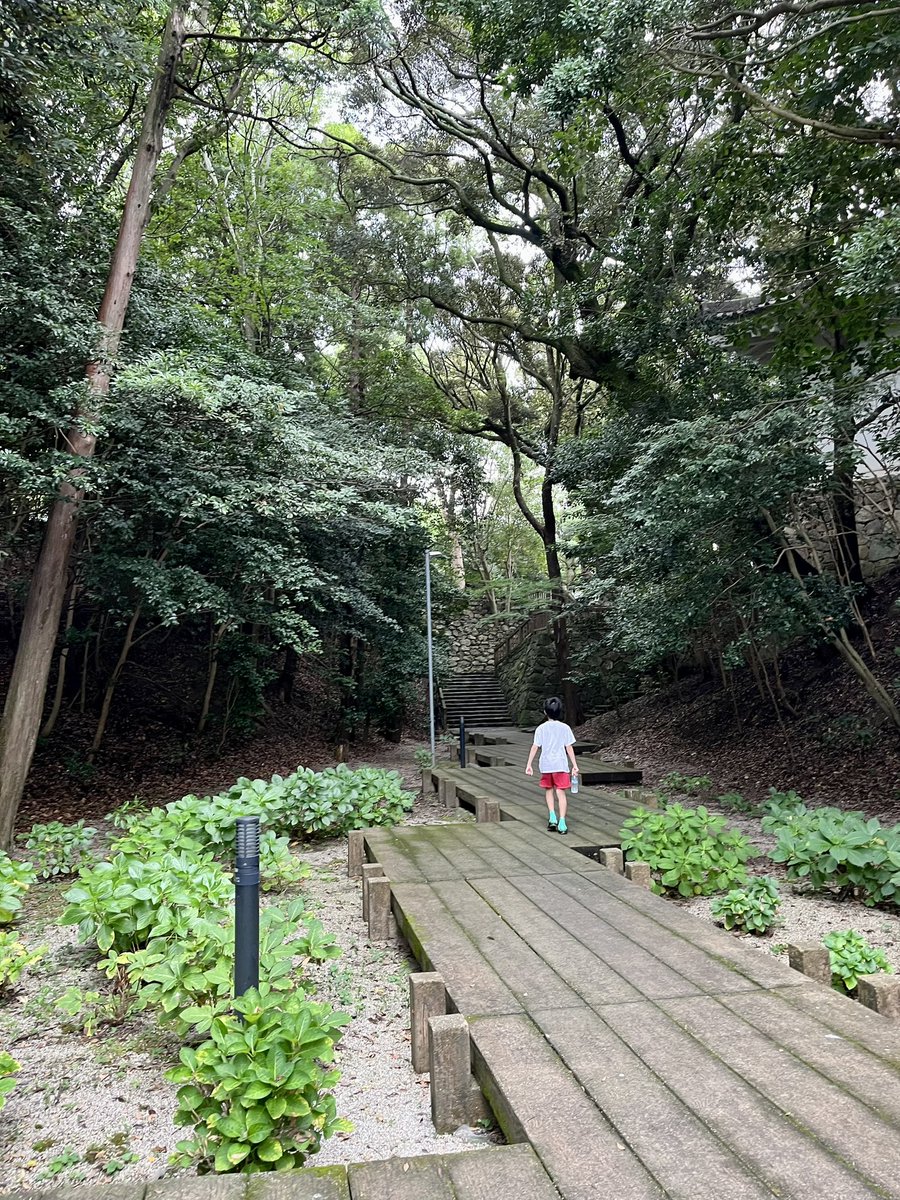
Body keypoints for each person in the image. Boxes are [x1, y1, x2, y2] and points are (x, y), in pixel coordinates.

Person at [525, 696, 579, 834]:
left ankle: (552, 817)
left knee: (549, 790)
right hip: (560, 764)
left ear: (545, 712)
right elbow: (569, 747)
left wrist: (529, 764)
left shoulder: (541, 729)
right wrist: (574, 765)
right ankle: (562, 822)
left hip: (546, 765)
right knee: (560, 792)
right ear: (560, 712)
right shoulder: (565, 728)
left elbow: (535, 747)